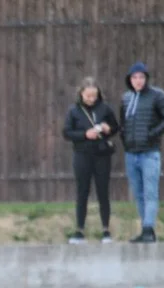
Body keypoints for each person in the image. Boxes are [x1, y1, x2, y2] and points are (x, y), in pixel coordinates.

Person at [119, 62, 164, 243]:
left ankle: (149, 228)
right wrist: (125, 141)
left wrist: (152, 135)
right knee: (139, 194)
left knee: (150, 192)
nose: (138, 81)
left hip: (149, 153)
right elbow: (123, 124)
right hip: (131, 154)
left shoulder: (157, 96)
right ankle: (145, 229)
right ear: (130, 79)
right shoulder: (126, 98)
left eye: (141, 77)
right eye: (134, 77)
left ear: (146, 79)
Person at [62, 77, 119, 244]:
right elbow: (67, 132)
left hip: (102, 155)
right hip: (82, 155)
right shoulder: (74, 111)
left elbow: (115, 127)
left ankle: (106, 230)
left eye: (94, 95)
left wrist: (109, 129)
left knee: (103, 192)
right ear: (81, 94)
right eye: (88, 96)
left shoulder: (105, 108)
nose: (91, 99)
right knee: (82, 192)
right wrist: (84, 135)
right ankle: (79, 230)